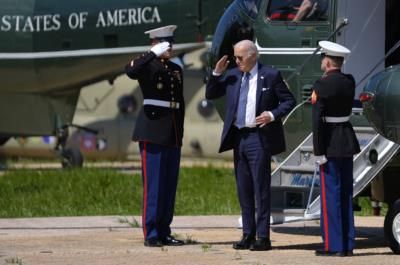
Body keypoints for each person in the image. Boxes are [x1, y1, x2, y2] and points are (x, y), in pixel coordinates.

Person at [206, 40, 296, 251]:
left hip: (259, 137)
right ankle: (248, 234)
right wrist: (217, 73)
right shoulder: (233, 74)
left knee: (260, 188)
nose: (236, 61)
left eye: (240, 57)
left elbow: (288, 101)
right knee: (243, 188)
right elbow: (211, 94)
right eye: (235, 57)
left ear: (253, 55)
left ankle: (263, 237)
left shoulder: (270, 75)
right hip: (239, 138)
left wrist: (272, 115)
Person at [125, 25, 185, 247]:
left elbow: (180, 105)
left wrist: (180, 134)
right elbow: (130, 70)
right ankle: (151, 233)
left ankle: (164, 230)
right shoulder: (146, 65)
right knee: (154, 185)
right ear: (155, 43)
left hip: (172, 132)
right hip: (152, 130)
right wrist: (152, 53)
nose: (169, 48)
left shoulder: (176, 69)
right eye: (164, 44)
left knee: (169, 186)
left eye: (170, 44)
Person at [311, 41, 361, 256]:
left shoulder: (321, 85)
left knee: (330, 196)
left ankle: (334, 246)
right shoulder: (349, 81)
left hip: (330, 143)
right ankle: (348, 245)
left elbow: (317, 122)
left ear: (328, 61)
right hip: (346, 140)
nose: (322, 60)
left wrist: (318, 151)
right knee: (345, 195)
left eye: (323, 57)